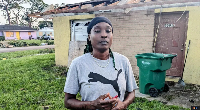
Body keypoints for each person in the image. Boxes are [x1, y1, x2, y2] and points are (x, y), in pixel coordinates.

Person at [64, 16, 138, 110]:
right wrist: (92, 104)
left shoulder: (123, 61)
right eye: (97, 31)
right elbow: (68, 101)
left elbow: (131, 93)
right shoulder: (78, 64)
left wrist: (124, 104)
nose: (104, 35)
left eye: (108, 31)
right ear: (89, 37)